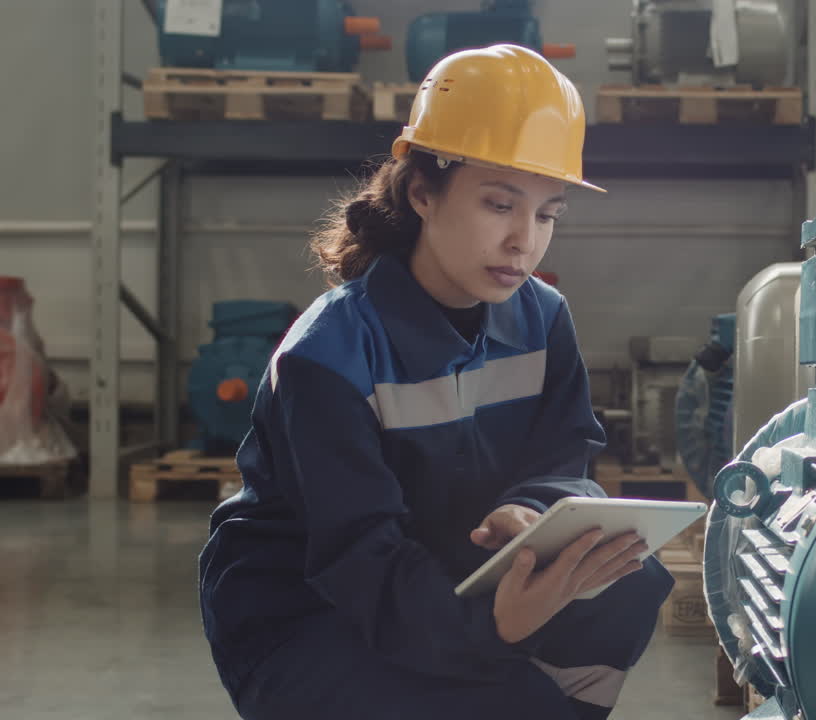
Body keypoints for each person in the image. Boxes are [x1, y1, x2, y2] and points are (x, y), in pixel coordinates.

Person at [197, 44, 674, 720]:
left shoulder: (543, 319)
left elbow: (563, 458)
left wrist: (532, 512)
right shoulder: (328, 354)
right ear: (423, 192)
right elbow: (359, 557)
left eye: (546, 214)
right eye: (499, 204)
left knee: (628, 582)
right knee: (508, 703)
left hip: (445, 567)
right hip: (307, 612)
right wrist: (495, 628)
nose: (523, 242)